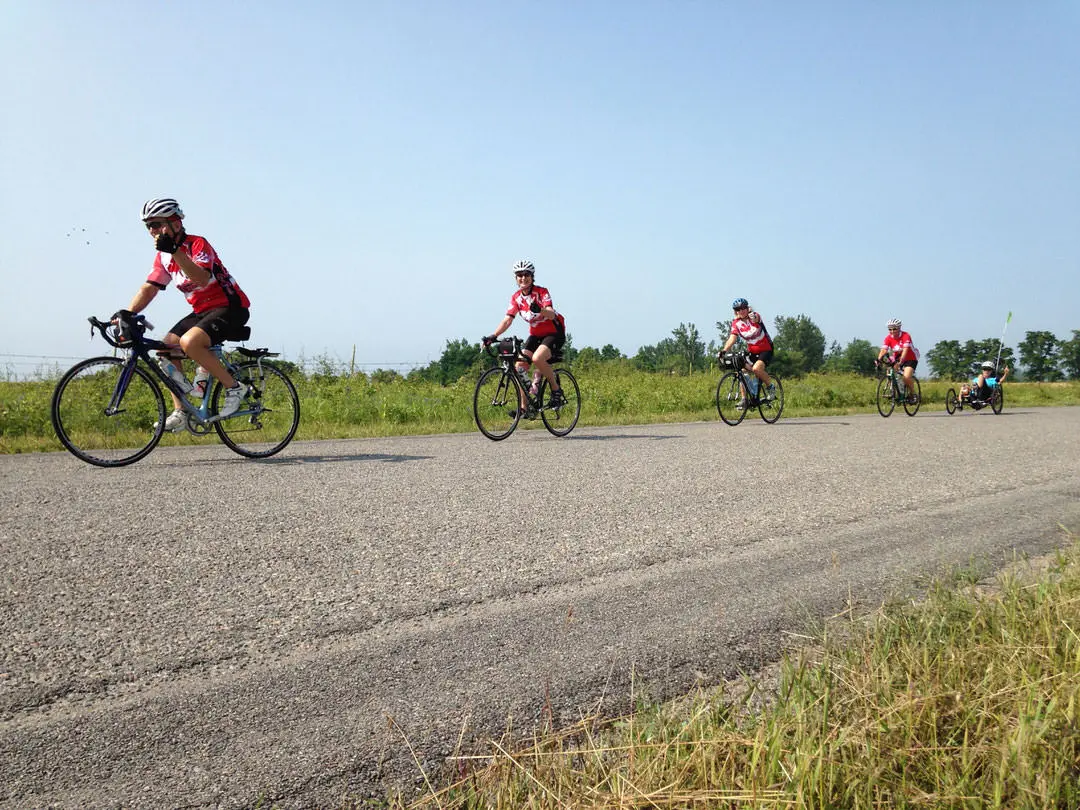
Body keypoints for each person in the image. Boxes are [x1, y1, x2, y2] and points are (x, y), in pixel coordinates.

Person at [122, 198, 251, 431]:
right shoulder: (163, 256)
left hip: (230, 307)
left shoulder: (197, 244)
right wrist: (128, 312)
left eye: (157, 224)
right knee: (165, 349)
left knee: (189, 342)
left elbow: (200, 278)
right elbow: (150, 287)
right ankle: (181, 411)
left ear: (176, 223)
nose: (152, 231)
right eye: (148, 226)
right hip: (202, 310)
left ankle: (235, 387)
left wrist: (175, 252)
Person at [483, 260, 566, 418]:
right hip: (536, 335)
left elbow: (551, 313)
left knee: (537, 358)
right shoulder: (516, 298)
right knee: (520, 366)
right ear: (516, 278)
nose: (523, 278)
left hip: (554, 332)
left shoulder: (541, 292)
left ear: (532, 276)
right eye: (519, 275)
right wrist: (493, 336)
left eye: (526, 274)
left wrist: (540, 309)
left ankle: (556, 391)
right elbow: (508, 319)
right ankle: (525, 408)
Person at [720, 298, 775, 409]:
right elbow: (732, 338)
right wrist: (724, 351)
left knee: (756, 369)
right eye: (738, 309)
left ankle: (771, 388)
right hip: (752, 352)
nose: (741, 311)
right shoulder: (736, 323)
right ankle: (745, 399)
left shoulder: (753, 317)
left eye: (743, 308)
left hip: (766, 350)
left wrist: (753, 315)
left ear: (747, 308)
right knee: (741, 371)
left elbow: (756, 318)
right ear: (735, 311)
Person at [876, 318, 920, 403]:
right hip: (897, 358)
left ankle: (913, 394)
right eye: (890, 329)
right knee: (890, 372)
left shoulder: (906, 335)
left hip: (910, 358)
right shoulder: (888, 338)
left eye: (894, 328)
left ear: (899, 328)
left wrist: (900, 362)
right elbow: (883, 350)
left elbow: (905, 350)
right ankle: (896, 391)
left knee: (906, 377)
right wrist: (878, 360)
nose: (892, 331)